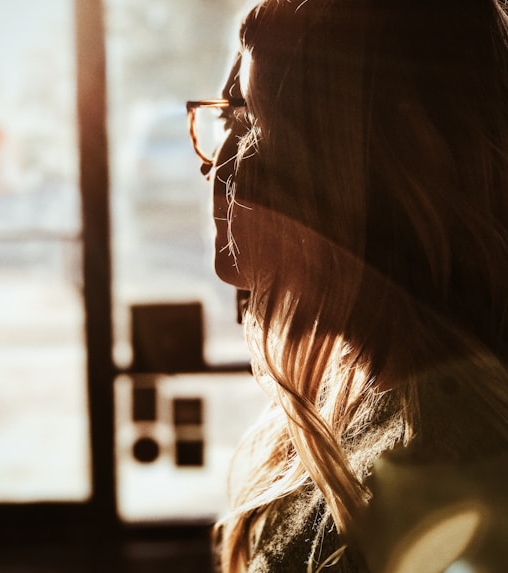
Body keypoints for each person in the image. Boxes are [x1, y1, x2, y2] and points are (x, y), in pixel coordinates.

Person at [187, 0, 508, 571]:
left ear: (378, 156)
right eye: (223, 122)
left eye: (249, 120)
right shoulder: (374, 404)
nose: (217, 167)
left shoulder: (453, 460)